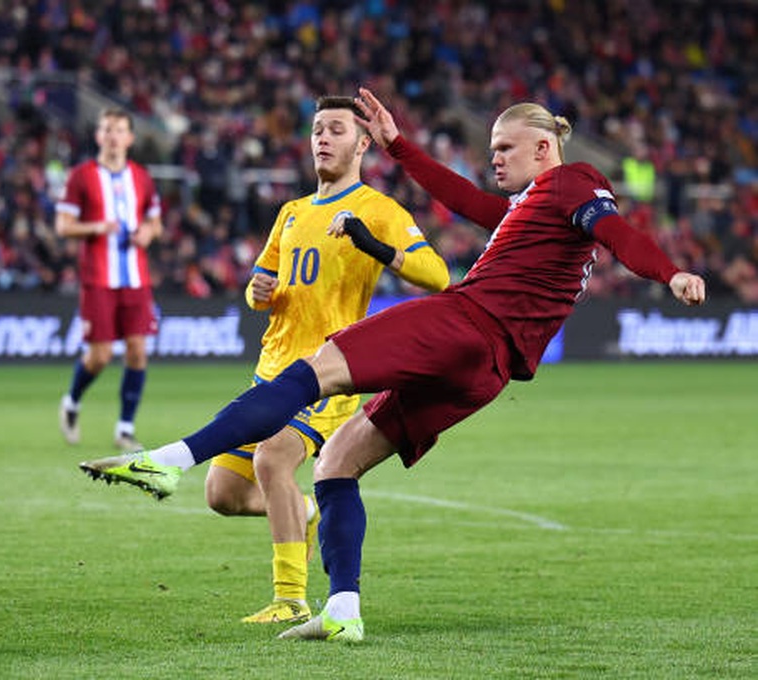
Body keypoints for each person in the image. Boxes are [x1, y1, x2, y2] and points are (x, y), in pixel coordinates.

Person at [79, 88, 707, 642]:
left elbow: (618, 232)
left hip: (466, 322)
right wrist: (401, 147)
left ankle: (170, 462)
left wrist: (669, 271)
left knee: (311, 370)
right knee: (337, 464)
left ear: (544, 148)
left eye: (505, 148)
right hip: (486, 374)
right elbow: (462, 198)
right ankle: (342, 609)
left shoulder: (572, 183)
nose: (494, 158)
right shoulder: (532, 207)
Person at [202, 96, 449, 625]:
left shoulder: (379, 210)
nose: (322, 138)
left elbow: (438, 276)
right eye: (317, 129)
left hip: (327, 374)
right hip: (271, 371)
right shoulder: (291, 213)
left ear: (362, 144)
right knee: (221, 494)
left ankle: (290, 598)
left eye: (335, 129)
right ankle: (304, 509)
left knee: (272, 461)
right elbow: (260, 286)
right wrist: (258, 292)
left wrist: (373, 246)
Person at [56, 108, 163, 451]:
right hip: (98, 279)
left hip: (135, 278)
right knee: (100, 355)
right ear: (98, 136)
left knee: (137, 351)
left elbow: (154, 222)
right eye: (107, 130)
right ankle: (72, 401)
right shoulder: (81, 176)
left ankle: (125, 429)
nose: (113, 136)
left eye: (120, 130)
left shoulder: (142, 178)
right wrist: (96, 227)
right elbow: (63, 226)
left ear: (130, 138)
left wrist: (146, 233)